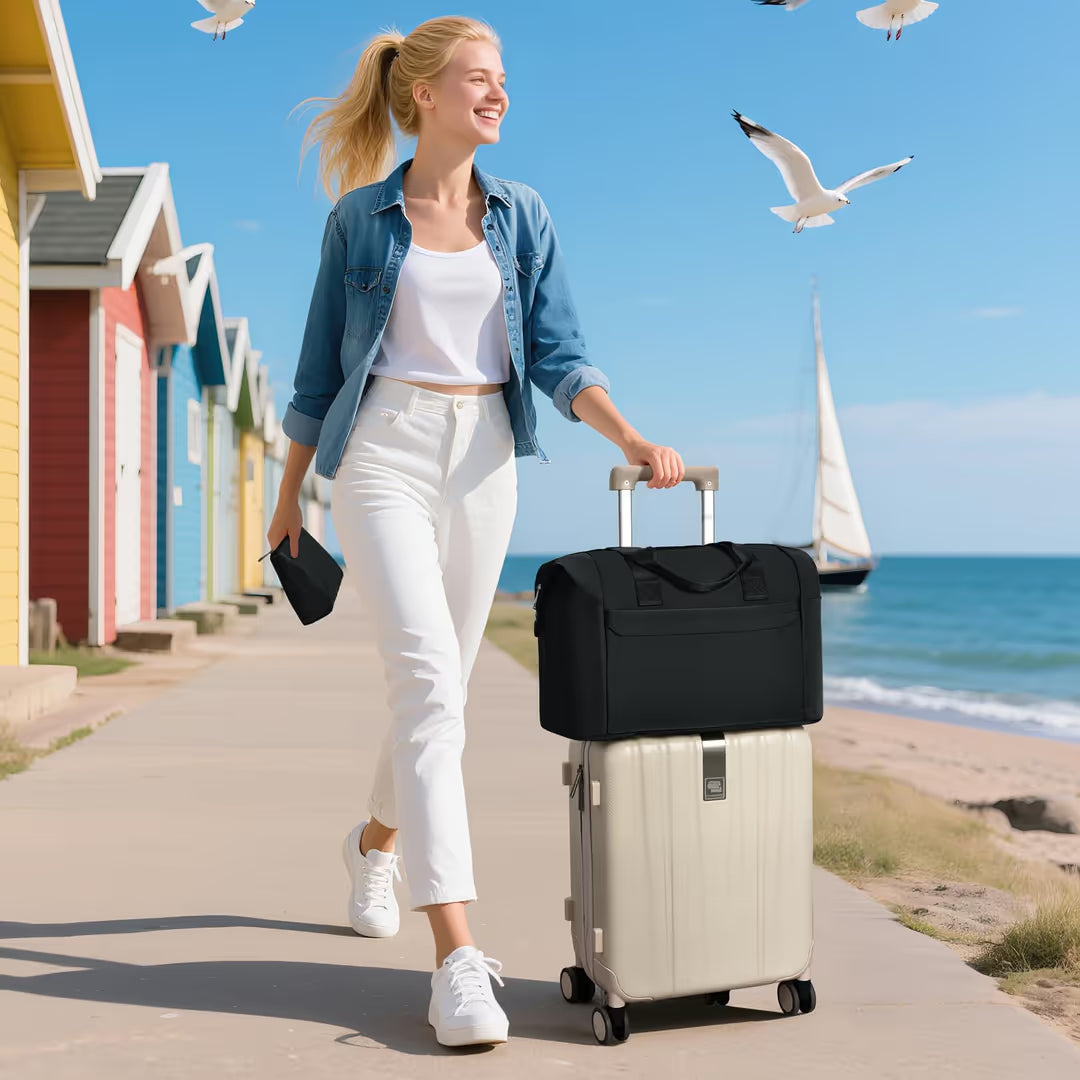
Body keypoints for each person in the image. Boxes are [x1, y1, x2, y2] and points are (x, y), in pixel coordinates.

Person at [266, 14, 685, 1049]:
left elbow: (558, 350)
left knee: (439, 689)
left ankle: (374, 842)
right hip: (385, 455)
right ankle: (457, 957)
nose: (498, 95)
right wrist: (287, 497)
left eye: (503, 80)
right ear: (423, 95)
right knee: (423, 683)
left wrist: (629, 436)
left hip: (488, 455)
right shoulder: (360, 221)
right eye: (479, 78)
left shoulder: (522, 213)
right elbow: (320, 371)